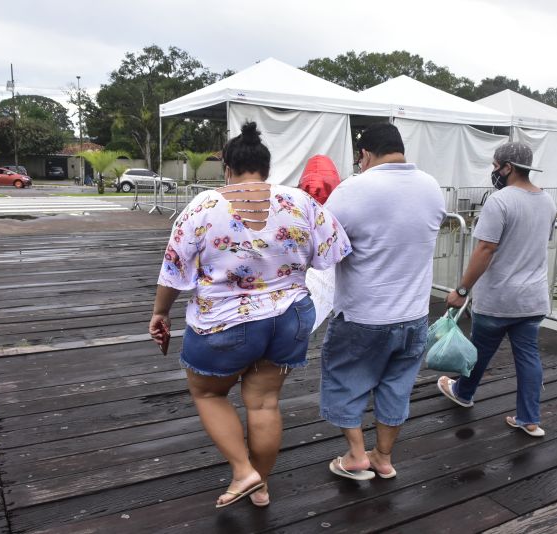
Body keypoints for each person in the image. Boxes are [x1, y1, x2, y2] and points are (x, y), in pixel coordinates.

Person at [149, 122, 351, 508]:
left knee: (208, 392)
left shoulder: (203, 206)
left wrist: (160, 312)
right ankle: (260, 487)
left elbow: (174, 269)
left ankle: (243, 471)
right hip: (291, 317)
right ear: (267, 168)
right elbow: (333, 253)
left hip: (224, 323)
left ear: (227, 167)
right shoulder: (300, 202)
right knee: (263, 403)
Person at [320, 122, 446, 480]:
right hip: (414, 316)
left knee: (345, 380)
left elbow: (325, 247)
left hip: (363, 314)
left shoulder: (353, 189)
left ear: (365, 154)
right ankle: (384, 457)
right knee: (396, 388)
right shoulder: (432, 187)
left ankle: (357, 455)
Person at [439, 141, 556, 438]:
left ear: (508, 167)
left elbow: (486, 248)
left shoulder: (500, 201)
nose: (493, 171)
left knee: (479, 349)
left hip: (499, 297)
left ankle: (464, 392)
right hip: (533, 299)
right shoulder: (548, 201)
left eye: (495, 166)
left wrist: (462, 290)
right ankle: (529, 419)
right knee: (528, 357)